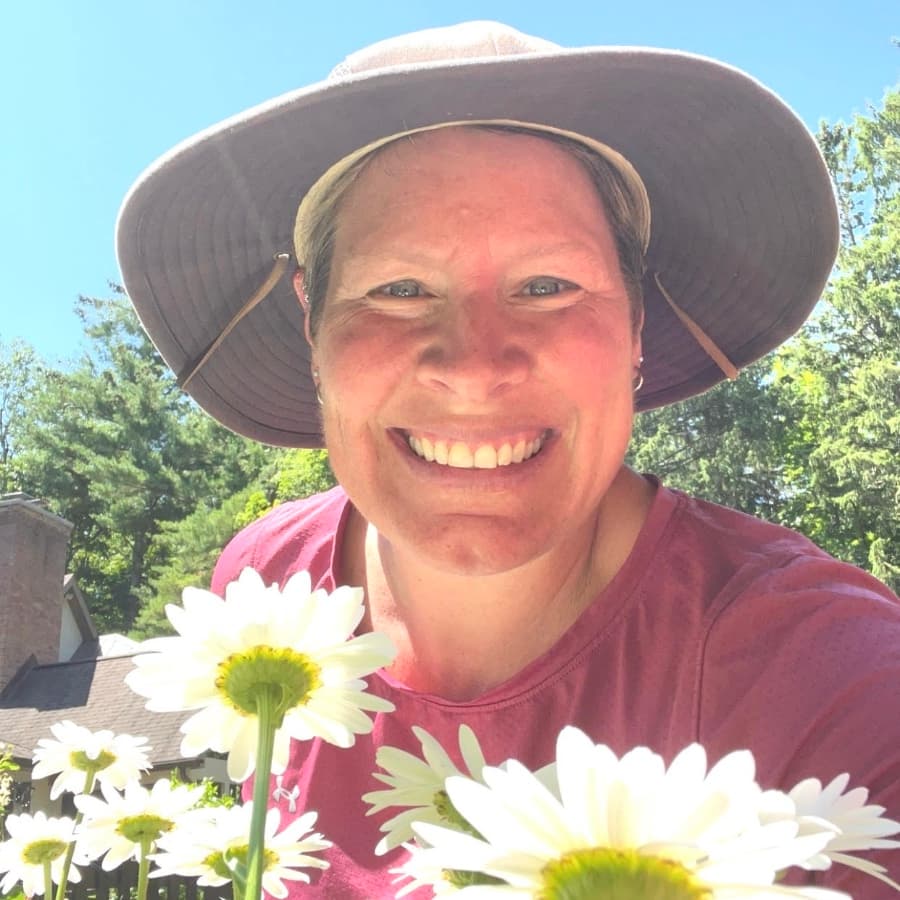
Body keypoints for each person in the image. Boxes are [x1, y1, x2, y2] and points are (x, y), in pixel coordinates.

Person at [116, 21, 900, 899]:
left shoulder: (831, 675)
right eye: (400, 289)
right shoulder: (262, 592)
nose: (476, 366)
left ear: (635, 325)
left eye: (546, 287)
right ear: (313, 326)